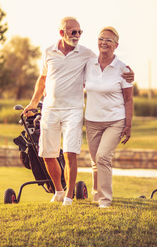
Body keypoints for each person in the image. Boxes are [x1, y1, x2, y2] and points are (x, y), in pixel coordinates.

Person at [23, 17, 134, 206]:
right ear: (61, 33)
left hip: (73, 110)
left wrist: (130, 74)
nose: (77, 35)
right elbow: (42, 78)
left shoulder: (87, 54)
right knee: (48, 154)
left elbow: (109, 63)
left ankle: (69, 196)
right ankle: (58, 190)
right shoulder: (49, 52)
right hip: (50, 107)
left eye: (79, 32)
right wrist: (34, 102)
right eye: (73, 32)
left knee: (70, 152)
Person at [84, 26, 133, 209]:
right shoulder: (88, 64)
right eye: (101, 39)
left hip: (115, 121)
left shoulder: (123, 69)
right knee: (95, 160)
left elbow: (128, 99)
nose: (103, 42)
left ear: (116, 45)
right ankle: (96, 195)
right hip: (92, 121)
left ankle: (105, 200)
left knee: (103, 157)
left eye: (108, 40)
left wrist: (128, 125)